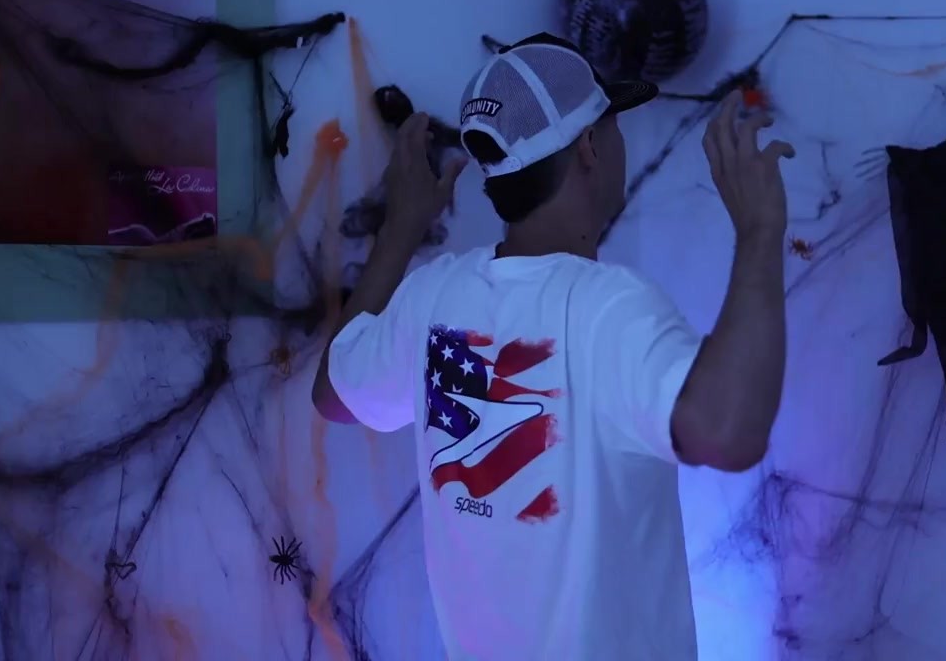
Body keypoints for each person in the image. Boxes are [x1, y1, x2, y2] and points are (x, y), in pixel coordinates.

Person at [312, 33, 794, 660]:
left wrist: (402, 226)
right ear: (590, 146)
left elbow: (335, 394)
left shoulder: (434, 297)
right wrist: (760, 230)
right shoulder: (606, 308)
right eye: (613, 126)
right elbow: (728, 435)